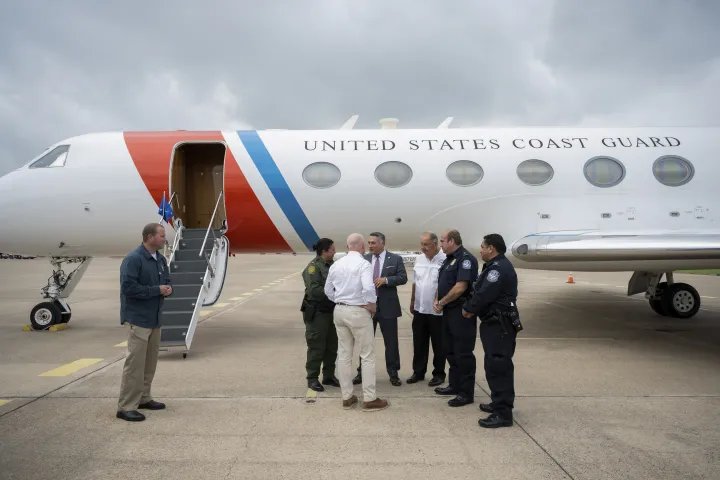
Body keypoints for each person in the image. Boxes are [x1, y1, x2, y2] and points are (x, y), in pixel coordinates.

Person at [324, 233, 389, 412]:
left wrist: (339, 300)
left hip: (339, 310)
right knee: (367, 355)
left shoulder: (336, 264)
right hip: (358, 310)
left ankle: (347, 397)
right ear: (362, 247)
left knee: (344, 354)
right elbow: (368, 288)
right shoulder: (363, 264)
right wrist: (372, 305)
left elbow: (328, 290)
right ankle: (369, 398)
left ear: (347, 247)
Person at [116, 223, 173, 422]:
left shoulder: (160, 260)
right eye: (161, 235)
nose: (165, 239)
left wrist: (168, 288)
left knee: (149, 364)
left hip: (154, 318)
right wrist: (157, 290)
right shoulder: (133, 259)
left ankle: (143, 398)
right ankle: (125, 406)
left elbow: (167, 280)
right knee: (135, 365)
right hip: (138, 319)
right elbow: (129, 288)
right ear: (150, 237)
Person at [462, 233, 519, 428]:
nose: (480, 249)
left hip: (499, 325)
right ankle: (498, 403)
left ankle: (503, 414)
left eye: (482, 246)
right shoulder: (495, 266)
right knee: (493, 365)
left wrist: (469, 309)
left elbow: (485, 294)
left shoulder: (498, 269)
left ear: (491, 248)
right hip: (494, 323)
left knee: (498, 367)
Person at [352, 232, 407, 386]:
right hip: (368, 308)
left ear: (382, 243)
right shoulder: (364, 259)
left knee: (391, 342)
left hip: (388, 307)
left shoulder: (395, 259)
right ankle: (361, 372)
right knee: (365, 342)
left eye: (373, 243)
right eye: (368, 243)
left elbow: (403, 277)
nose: (370, 246)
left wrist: (386, 280)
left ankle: (393, 372)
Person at [432, 229, 479, 407]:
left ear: (452, 241)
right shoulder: (449, 259)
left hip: (461, 311)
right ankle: (455, 385)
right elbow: (442, 283)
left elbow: (460, 287)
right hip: (448, 311)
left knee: (463, 353)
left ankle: (466, 393)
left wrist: (442, 302)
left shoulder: (465, 259)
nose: (440, 244)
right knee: (450, 350)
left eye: (443, 241)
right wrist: (437, 300)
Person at [407, 231, 447, 387]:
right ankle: (418, 372)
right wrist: (412, 301)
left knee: (439, 343)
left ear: (435, 244)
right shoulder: (419, 259)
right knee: (419, 342)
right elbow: (415, 282)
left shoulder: (444, 259)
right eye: (421, 244)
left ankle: (438, 373)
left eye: (426, 245)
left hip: (437, 310)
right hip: (420, 308)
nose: (423, 248)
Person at [301, 238, 340, 392]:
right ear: (324, 251)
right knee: (316, 346)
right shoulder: (313, 268)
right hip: (317, 313)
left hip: (331, 311)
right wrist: (336, 294)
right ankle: (312, 378)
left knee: (332, 346)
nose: (334, 252)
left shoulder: (333, 265)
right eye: (332, 249)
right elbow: (314, 291)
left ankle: (329, 376)